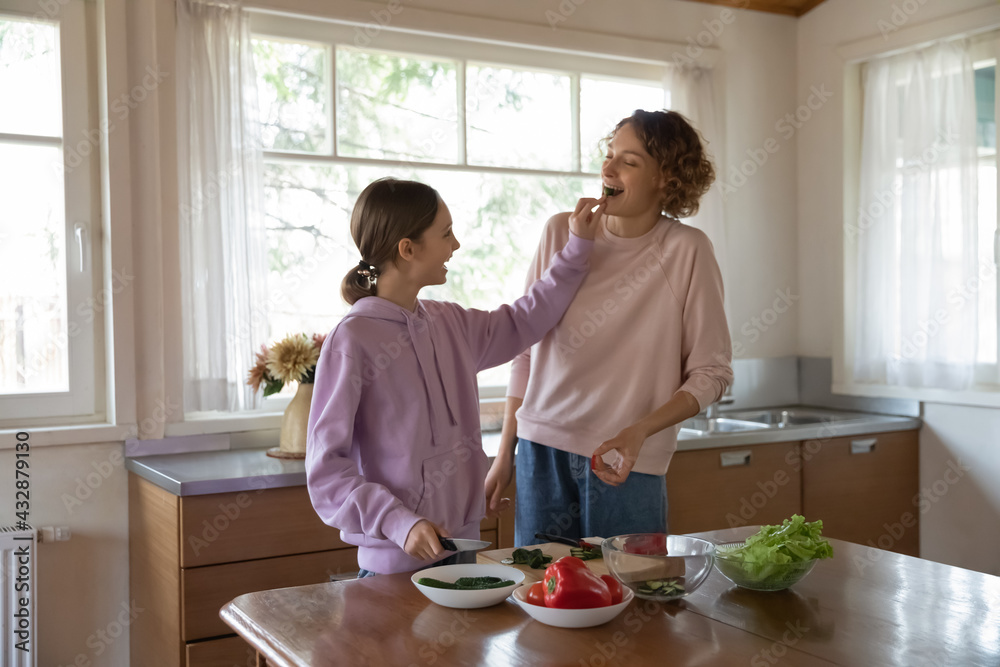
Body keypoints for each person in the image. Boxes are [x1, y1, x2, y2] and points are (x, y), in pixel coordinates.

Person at [306, 177, 603, 576]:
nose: (455, 245)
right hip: (392, 569)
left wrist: (577, 249)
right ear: (407, 249)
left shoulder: (449, 323)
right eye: (445, 233)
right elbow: (326, 472)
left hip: (462, 556)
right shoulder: (352, 340)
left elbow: (525, 320)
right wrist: (400, 523)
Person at [484, 110, 733, 545]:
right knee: (543, 598)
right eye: (609, 154)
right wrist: (506, 452)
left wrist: (641, 430)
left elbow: (712, 374)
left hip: (627, 463)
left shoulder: (686, 250)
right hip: (540, 453)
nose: (608, 168)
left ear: (666, 179)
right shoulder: (562, 232)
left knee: (633, 597)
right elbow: (526, 348)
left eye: (629, 161)